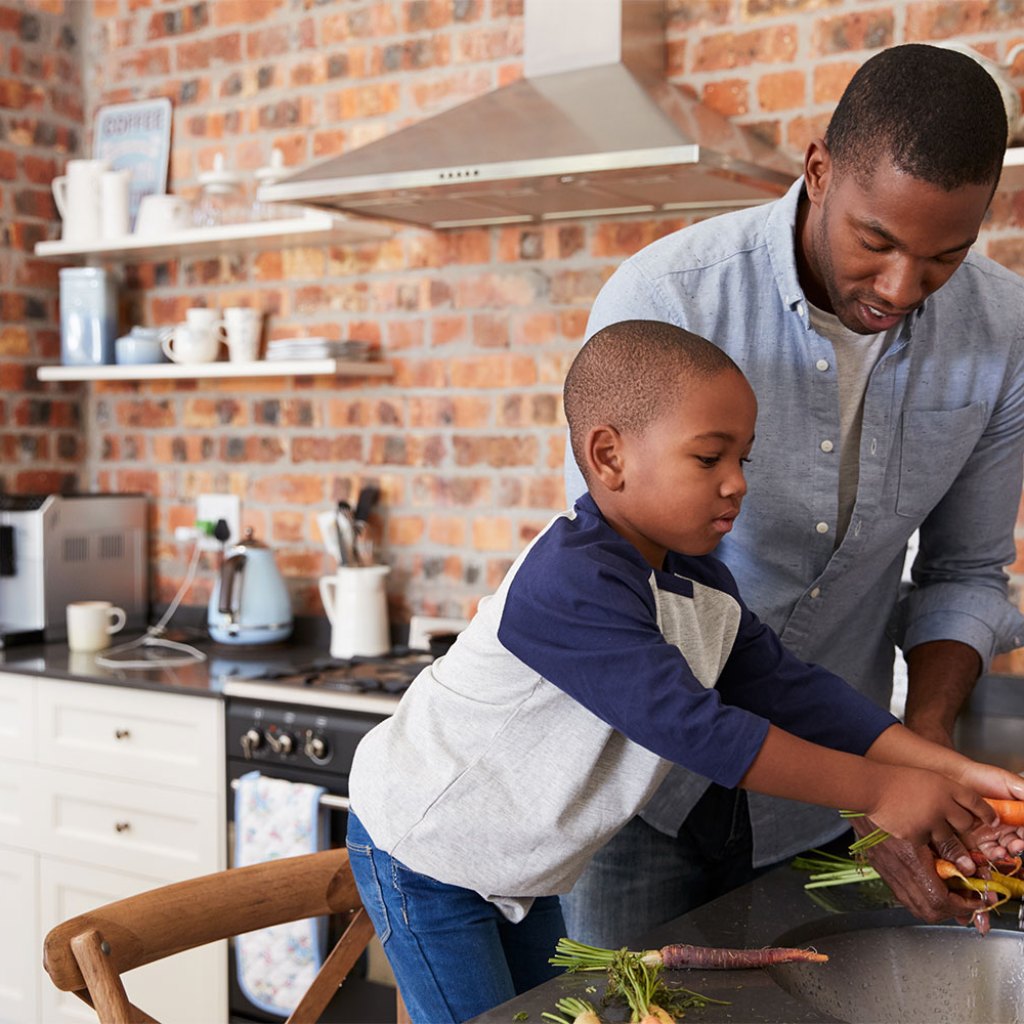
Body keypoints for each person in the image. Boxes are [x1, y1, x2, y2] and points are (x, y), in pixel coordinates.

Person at [347, 320, 1024, 1024]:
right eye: (709, 459)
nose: (737, 485)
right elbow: (698, 731)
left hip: (516, 860)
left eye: (744, 461)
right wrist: (884, 788)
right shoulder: (569, 583)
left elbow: (789, 690)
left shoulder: (694, 580)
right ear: (608, 457)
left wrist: (945, 770)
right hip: (426, 853)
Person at [562, 42, 1024, 948]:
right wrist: (881, 781)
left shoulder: (1004, 332)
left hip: (822, 820)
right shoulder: (669, 300)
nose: (901, 288)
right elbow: (622, 592)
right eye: (876, 241)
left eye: (945, 258)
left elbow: (966, 571)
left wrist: (920, 760)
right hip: (639, 795)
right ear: (818, 171)